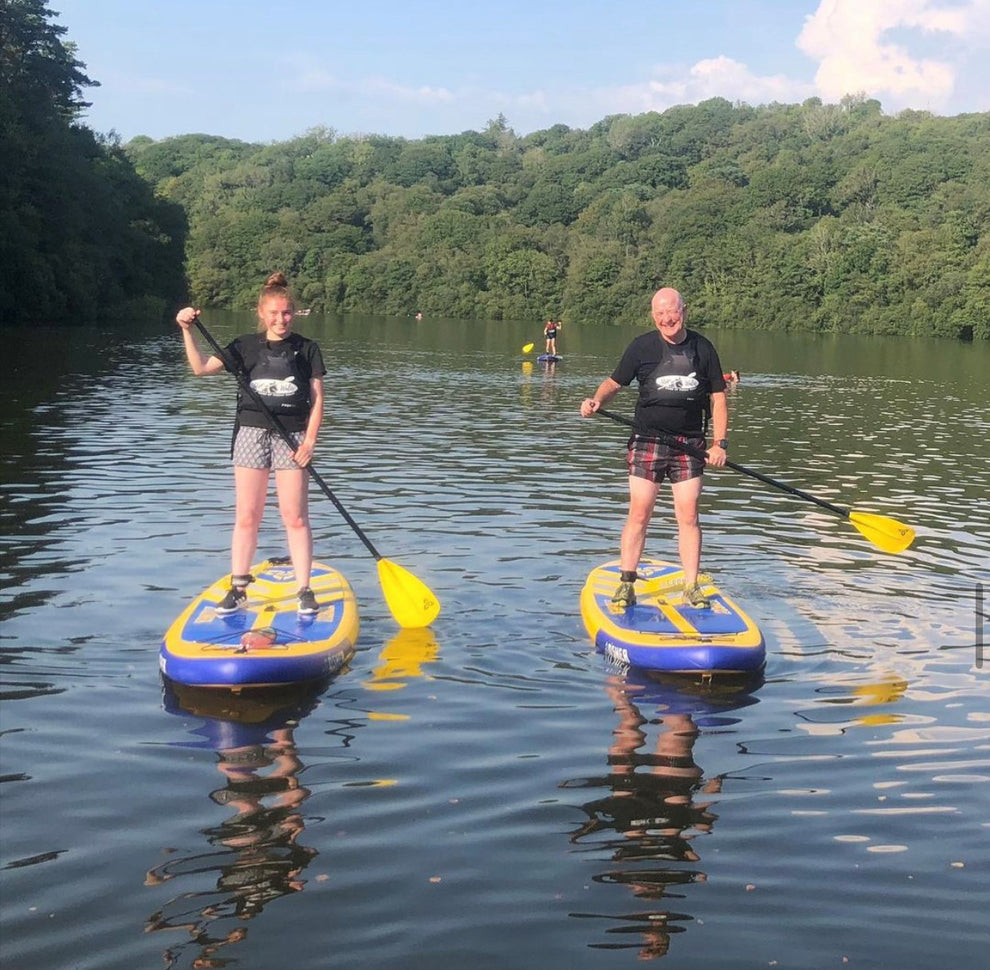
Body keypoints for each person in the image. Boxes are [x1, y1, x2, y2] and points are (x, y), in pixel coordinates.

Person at [175, 272, 326, 615]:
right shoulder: (245, 346)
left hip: (294, 437)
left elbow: (317, 399)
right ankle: (239, 585)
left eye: (287, 313)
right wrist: (186, 329)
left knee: (296, 517)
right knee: (247, 515)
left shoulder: (307, 349)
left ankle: (304, 589)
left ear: (294, 312)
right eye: (274, 313)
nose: (281, 319)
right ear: (261, 313)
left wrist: (310, 441)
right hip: (251, 433)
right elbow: (199, 368)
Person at [580, 287, 727, 608]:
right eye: (659, 314)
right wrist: (596, 400)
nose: (666, 319)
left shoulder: (703, 348)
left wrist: (720, 443)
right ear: (653, 315)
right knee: (639, 512)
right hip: (648, 440)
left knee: (688, 515)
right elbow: (614, 383)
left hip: (689, 444)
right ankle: (626, 583)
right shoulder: (641, 347)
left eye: (671, 312)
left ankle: (691, 586)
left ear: (684, 310)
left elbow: (718, 398)